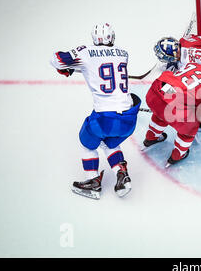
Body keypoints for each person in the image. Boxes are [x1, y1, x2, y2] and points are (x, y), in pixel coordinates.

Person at [50, 23, 140, 199]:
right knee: (108, 143)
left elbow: (56, 60)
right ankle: (122, 175)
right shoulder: (123, 53)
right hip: (129, 118)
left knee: (87, 143)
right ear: (112, 37)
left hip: (104, 118)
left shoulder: (86, 52)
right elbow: (101, 66)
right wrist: (76, 68)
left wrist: (67, 68)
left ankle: (92, 182)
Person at [143, 44, 201, 167]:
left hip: (156, 90)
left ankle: (151, 138)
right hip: (177, 107)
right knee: (189, 128)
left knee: (161, 112)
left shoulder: (192, 65)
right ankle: (177, 155)